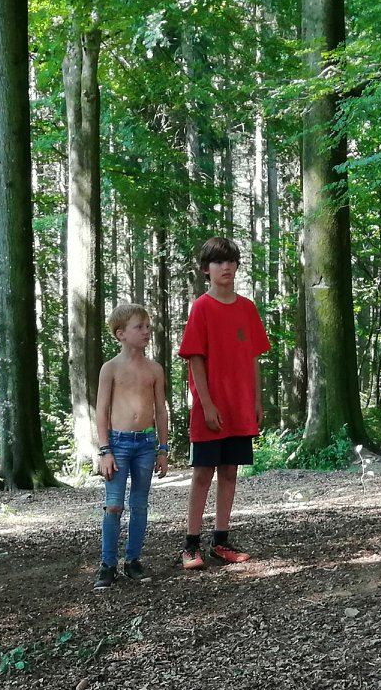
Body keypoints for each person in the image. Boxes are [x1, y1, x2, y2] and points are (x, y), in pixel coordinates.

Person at [177, 236, 268, 569]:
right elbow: (195, 359)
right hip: (210, 407)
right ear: (206, 269)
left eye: (231, 261)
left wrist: (256, 400)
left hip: (240, 407)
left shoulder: (247, 308)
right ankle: (190, 545)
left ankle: (221, 541)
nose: (226, 267)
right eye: (218, 262)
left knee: (230, 471)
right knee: (203, 473)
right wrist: (207, 403)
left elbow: (254, 357)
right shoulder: (201, 307)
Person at [92, 302, 171, 589]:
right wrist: (105, 450)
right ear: (120, 334)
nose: (147, 331)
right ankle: (107, 564)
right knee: (114, 505)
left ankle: (133, 560)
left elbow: (161, 410)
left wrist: (163, 449)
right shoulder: (110, 369)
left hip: (146, 444)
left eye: (148, 326)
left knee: (139, 504)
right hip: (118, 444)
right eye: (140, 327)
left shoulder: (154, 369)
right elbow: (101, 410)